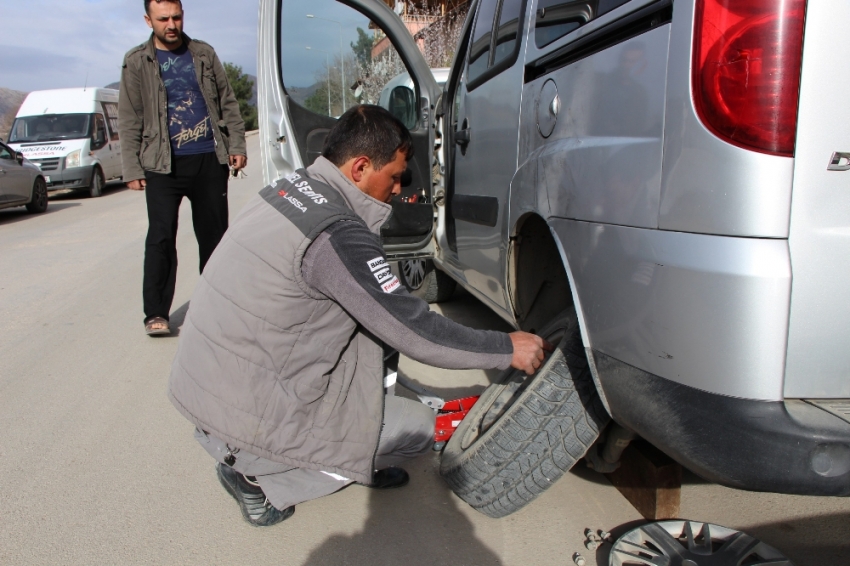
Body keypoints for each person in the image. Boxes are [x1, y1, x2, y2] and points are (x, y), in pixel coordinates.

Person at [168, 105, 552, 527]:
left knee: (378, 327)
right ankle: (260, 483)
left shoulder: (290, 188)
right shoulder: (336, 233)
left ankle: (316, 446)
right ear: (360, 167)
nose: (400, 187)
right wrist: (504, 347)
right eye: (395, 176)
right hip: (243, 418)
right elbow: (417, 332)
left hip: (214, 387)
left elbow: (389, 310)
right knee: (417, 431)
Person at [118, 0, 247, 336]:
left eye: (176, 17)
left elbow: (227, 101)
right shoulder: (136, 62)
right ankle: (156, 314)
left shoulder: (203, 54)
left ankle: (217, 306)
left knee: (214, 238)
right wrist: (131, 167)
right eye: (163, 19)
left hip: (208, 158)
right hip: (162, 164)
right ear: (149, 20)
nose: (171, 24)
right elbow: (130, 117)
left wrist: (236, 145)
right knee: (160, 237)